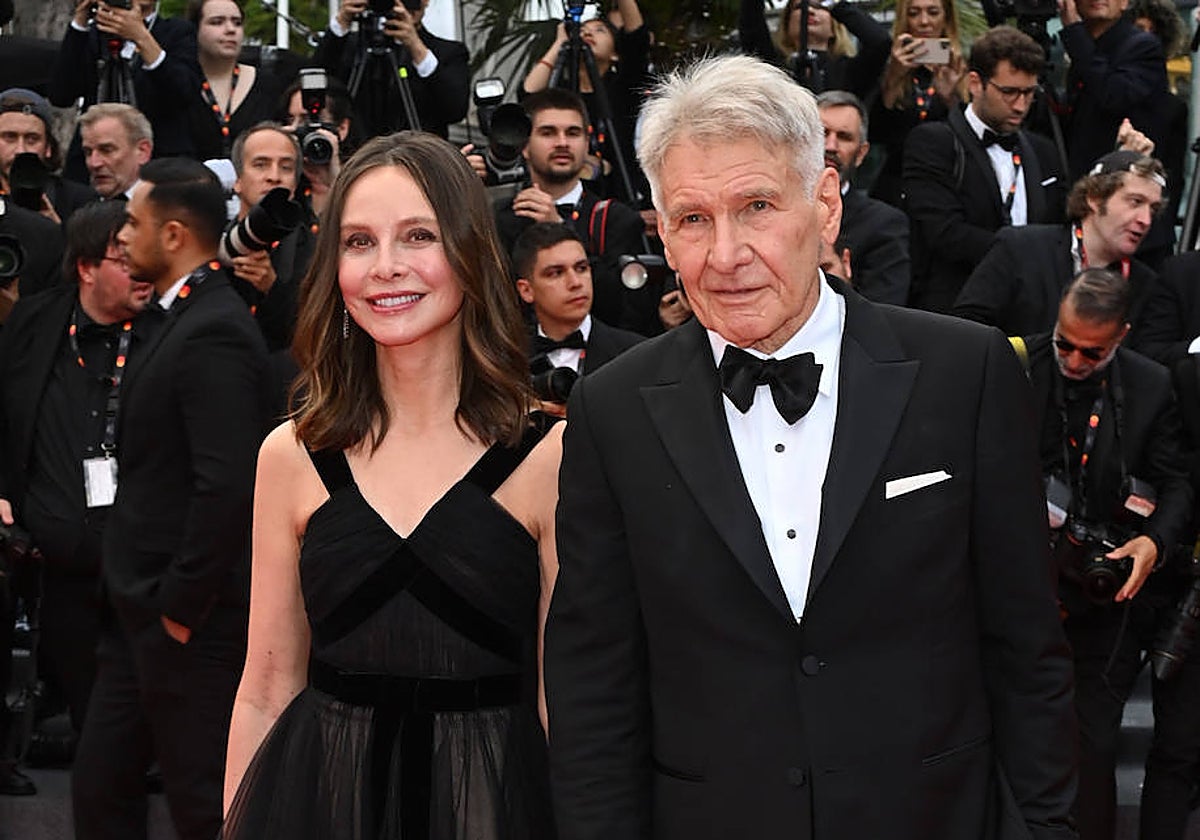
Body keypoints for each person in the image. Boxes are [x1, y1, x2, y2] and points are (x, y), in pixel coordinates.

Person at [545, 53, 1077, 840]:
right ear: (660, 228)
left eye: (757, 206)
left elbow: (1028, 648)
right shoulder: (612, 408)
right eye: (693, 219)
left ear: (825, 205)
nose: (725, 255)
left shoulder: (965, 373)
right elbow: (595, 686)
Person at [221, 132, 561, 839]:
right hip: (322, 804)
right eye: (358, 242)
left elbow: (566, 699)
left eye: (417, 236)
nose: (386, 267)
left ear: (470, 253)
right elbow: (265, 687)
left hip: (494, 809)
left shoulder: (550, 456)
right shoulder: (291, 455)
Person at [71, 158, 270, 840]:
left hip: (185, 622)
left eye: (133, 222)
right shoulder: (172, 316)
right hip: (138, 616)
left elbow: (227, 485)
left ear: (176, 233)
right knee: (100, 789)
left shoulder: (215, 329)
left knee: (203, 804)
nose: (122, 236)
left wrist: (181, 609)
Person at [1024, 268, 1198, 840]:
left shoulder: (1148, 385)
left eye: (1090, 353)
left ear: (1121, 336)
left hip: (1106, 594)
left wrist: (1153, 542)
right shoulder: (1019, 371)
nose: (1073, 362)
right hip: (1021, 586)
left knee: (1092, 740)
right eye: (1064, 344)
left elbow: (1178, 481)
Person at [0, 201, 154, 771]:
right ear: (87, 267)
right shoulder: (36, 323)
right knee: (91, 703)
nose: (142, 269)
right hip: (59, 556)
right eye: (125, 256)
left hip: (143, 561)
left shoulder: (167, 330)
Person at [903, 26, 1066, 312]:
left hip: (1030, 309)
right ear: (976, 83)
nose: (1021, 105)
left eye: (1029, 93)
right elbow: (944, 233)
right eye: (1009, 92)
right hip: (958, 307)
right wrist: (1023, 255)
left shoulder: (1043, 151)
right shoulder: (933, 142)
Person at [954, 151, 1163, 342]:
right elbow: (966, 328)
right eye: (1135, 202)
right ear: (1094, 197)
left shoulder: (1144, 284)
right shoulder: (1021, 249)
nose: (1146, 220)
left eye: (1153, 210)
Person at [491, 88, 647, 335]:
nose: (562, 142)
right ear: (523, 144)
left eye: (573, 133)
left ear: (587, 143)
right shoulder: (498, 219)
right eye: (548, 132)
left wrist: (560, 229)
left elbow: (624, 311)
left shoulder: (616, 219)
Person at [522, 0, 652, 204]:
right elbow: (528, 94)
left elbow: (637, 39)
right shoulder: (562, 91)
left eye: (600, 30)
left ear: (615, 54)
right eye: (583, 30)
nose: (588, 34)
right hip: (560, 196)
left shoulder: (622, 88)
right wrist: (559, 44)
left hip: (615, 197)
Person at [48, 0, 201, 163]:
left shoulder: (178, 31)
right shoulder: (91, 34)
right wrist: (80, 20)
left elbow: (183, 92)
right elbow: (61, 95)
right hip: (93, 161)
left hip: (158, 160)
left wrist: (141, 37)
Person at [513, 222, 642, 410]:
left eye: (581, 268)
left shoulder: (636, 354)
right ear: (526, 290)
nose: (575, 283)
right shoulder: (508, 365)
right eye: (556, 273)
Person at [315, 0, 469, 140]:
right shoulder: (349, 48)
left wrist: (416, 47)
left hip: (416, 157)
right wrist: (341, 22)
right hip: (355, 155)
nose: (402, 6)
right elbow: (314, 85)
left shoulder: (449, 52)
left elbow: (455, 110)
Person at [868, 0, 968, 206]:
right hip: (896, 189)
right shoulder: (889, 66)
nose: (924, 22)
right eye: (914, 13)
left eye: (933, 12)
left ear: (946, 18)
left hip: (947, 187)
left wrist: (950, 99)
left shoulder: (960, 70)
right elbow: (876, 134)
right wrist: (894, 78)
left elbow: (971, 139)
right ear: (905, 20)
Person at [816, 90, 910, 306]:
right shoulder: (773, 207)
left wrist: (842, 287)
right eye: (823, 133)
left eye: (844, 137)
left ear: (861, 154)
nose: (831, 146)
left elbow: (886, 313)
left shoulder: (884, 225)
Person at [226, 122, 312, 353]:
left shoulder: (314, 249)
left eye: (286, 167)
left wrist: (272, 288)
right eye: (261, 165)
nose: (274, 177)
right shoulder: (212, 242)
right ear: (237, 179)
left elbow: (317, 332)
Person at [185, 0, 284, 161]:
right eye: (217, 22)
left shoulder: (268, 85)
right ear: (195, 29)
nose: (231, 29)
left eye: (237, 23)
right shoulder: (179, 82)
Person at [738, 0, 891, 102]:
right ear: (787, 25)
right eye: (800, 7)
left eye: (820, 6)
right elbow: (751, 27)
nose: (809, 10)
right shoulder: (775, 67)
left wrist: (834, 3)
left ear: (834, 28)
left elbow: (880, 41)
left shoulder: (849, 71)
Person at [0, 88, 97, 225]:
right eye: (10, 137)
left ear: (48, 148)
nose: (20, 150)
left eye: (32, 139)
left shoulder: (78, 200)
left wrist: (54, 233)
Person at [78, 103, 153, 201]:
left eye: (107, 150)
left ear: (142, 151)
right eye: (88, 152)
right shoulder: (77, 206)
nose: (94, 163)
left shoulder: (169, 208)